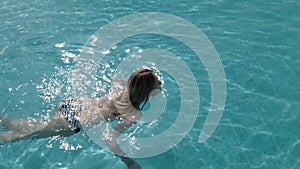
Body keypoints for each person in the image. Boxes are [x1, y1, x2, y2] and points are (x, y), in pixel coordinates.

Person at [0, 68, 162, 169]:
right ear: (146, 90)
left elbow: (117, 79)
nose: (160, 82)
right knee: (23, 136)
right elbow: (110, 140)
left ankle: (4, 121)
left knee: (36, 128)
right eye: (157, 82)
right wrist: (129, 162)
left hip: (73, 104)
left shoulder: (124, 87)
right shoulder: (133, 113)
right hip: (73, 122)